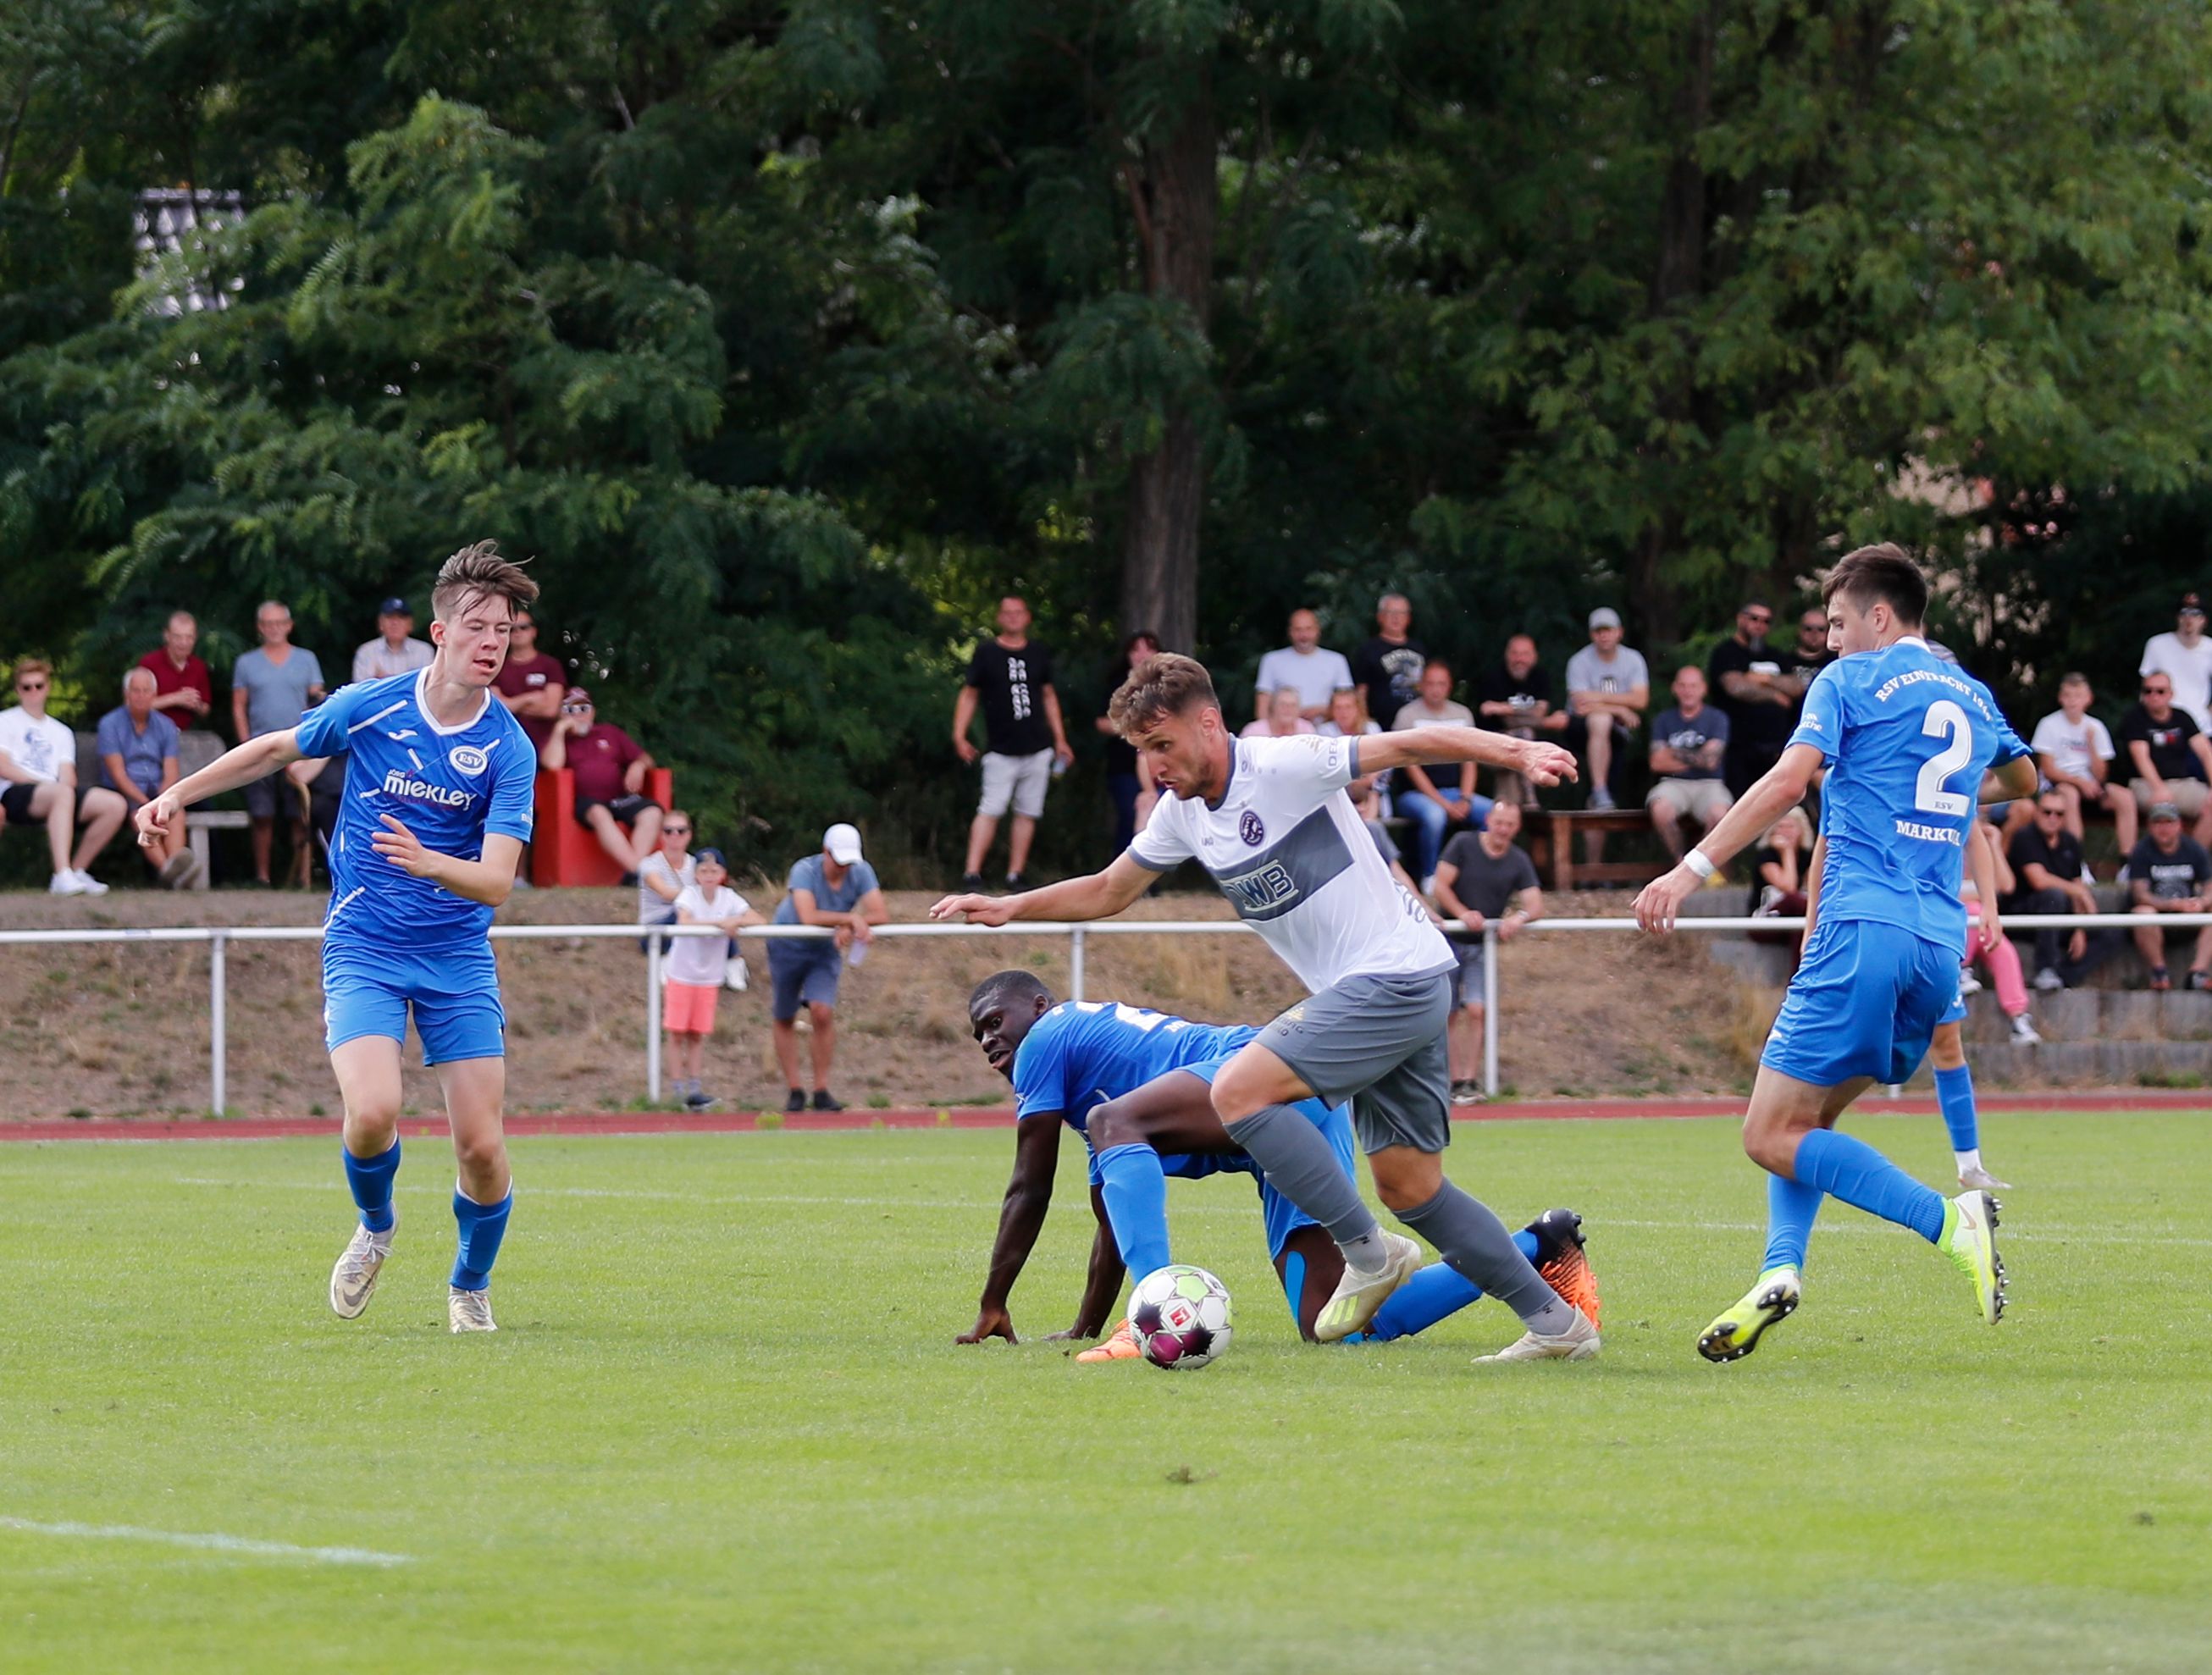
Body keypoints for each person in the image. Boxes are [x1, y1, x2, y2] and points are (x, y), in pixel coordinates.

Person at [932, 651, 1601, 1363]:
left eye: (1162, 744)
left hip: (1395, 977)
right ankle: (1558, 1325)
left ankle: (1368, 1251)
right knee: (1414, 1189)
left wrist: (1518, 751)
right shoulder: (1182, 815)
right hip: (1393, 991)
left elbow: (1409, 744)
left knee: (1238, 1091)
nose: (1155, 765)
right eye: (1143, 751)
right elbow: (1108, 889)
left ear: (1208, 724)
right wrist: (1010, 906)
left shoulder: (1283, 765)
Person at [1634, 542, 2036, 1363]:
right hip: (1937, 946)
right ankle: (1778, 1272)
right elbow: (2026, 778)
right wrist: (1955, 793)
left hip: (1865, 930)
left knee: (1764, 1133)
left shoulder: (1848, 680)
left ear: (1878, 616)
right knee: (1807, 1120)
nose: (1830, 639)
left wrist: (1688, 868)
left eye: (1837, 621)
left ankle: (1947, 1221)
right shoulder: (1968, 690)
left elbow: (1787, 784)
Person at [136, 542, 540, 1333]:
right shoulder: (372, 705)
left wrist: (429, 861)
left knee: (483, 1150)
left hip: (456, 956)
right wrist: (176, 794)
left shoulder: (509, 748)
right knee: (373, 1111)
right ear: (439, 632)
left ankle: (469, 1286)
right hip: (365, 946)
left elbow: (497, 882)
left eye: (505, 629)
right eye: (478, 626)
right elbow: (274, 749)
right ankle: (376, 1227)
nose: (492, 642)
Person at [954, 970, 1599, 1353]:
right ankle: (1540, 1245)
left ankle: (1152, 1318)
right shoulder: (1103, 1107)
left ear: (1038, 1008)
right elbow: (1114, 1225)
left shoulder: (1049, 1041)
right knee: (1335, 1328)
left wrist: (992, 1301)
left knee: (1111, 1124)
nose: (988, 1039)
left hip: (1259, 1083)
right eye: (977, 1033)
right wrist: (1083, 1328)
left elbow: (1028, 1186)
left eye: (994, 1020)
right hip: (1293, 1114)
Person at [953, 595, 1074, 891]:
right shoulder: (986, 652)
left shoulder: (1038, 653)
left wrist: (1060, 739)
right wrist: (959, 735)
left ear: (1027, 617)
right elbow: (969, 694)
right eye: (1007, 613)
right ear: (999, 617)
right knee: (991, 808)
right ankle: (972, 873)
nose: (1013, 618)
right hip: (1000, 748)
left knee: (1028, 811)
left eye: (1018, 612)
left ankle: (1015, 874)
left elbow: (1048, 695)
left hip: (1037, 747)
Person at [768, 823, 889, 1113]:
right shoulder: (804, 870)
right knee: (785, 1015)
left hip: (824, 950)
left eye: (849, 861)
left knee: (822, 1011)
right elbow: (807, 915)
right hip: (787, 944)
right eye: (838, 859)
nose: (844, 867)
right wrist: (849, 919)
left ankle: (821, 1089)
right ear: (825, 852)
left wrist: (853, 923)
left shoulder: (861, 871)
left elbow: (879, 912)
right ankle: (795, 1090)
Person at [1430, 799, 1542, 1105]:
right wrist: (1462, 913)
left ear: (1517, 828)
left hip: (1482, 946)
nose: (1503, 829)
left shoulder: (1518, 860)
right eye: (1500, 822)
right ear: (1489, 821)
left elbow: (1535, 904)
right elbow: (1440, 886)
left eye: (1510, 825)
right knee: (1448, 1012)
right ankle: (1451, 1080)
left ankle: (1469, 1080)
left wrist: (1518, 918)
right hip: (1448, 941)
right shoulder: (1463, 844)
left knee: (1477, 1010)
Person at [0, 656, 127, 895]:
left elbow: (68, 775)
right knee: (61, 793)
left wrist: (60, 788)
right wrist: (45, 784)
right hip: (16, 793)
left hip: (57, 793)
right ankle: (61, 874)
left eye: (38, 685)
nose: (33, 692)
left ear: (47, 687)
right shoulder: (5, 721)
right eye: (27, 687)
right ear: (18, 690)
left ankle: (76, 871)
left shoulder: (61, 731)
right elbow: (3, 766)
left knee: (114, 804)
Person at [230, 600, 328, 887]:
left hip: (298, 746)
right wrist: (245, 743)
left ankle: (302, 876)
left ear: (289, 626)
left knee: (299, 814)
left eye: (279, 623)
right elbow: (238, 706)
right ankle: (262, 876)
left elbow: (318, 700)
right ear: (260, 627)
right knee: (262, 815)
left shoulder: (306, 659)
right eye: (268, 623)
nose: (274, 628)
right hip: (259, 747)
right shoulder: (246, 663)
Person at [661, 848, 764, 1110]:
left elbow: (758, 919)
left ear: (723, 874)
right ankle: (677, 1091)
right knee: (677, 1033)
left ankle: (695, 1089)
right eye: (703, 870)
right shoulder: (689, 895)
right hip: (682, 973)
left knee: (697, 1034)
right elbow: (684, 921)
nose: (709, 875)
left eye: (714, 870)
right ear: (696, 874)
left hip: (708, 977)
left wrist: (735, 921)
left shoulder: (728, 897)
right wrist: (720, 924)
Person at [1391, 659, 1493, 889]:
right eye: (1430, 683)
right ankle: (1430, 876)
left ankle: (1476, 874)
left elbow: (1470, 761)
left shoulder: (1463, 714)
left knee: (1491, 814)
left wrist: (1465, 799)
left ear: (1449, 686)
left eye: (1441, 684)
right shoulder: (1407, 715)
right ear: (1421, 685)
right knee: (1435, 816)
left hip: (1456, 792)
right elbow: (1410, 767)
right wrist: (1443, 804)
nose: (1436, 689)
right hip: (1416, 795)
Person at [539, 687, 665, 872]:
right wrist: (559, 730)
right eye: (570, 710)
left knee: (652, 812)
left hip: (617, 799)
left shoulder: (610, 732)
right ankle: (640, 872)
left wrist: (638, 765)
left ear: (593, 712)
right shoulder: (557, 740)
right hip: (584, 803)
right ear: (561, 714)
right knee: (599, 813)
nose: (578, 715)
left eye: (584, 709)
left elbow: (646, 759)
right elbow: (553, 765)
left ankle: (635, 870)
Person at [2005, 790, 2121, 990]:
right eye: (2047, 812)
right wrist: (2079, 892)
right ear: (2037, 812)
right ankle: (2045, 968)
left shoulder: (2070, 842)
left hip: (2059, 915)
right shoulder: (2025, 837)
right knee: (2053, 896)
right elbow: (2039, 880)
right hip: (2022, 913)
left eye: (2059, 814)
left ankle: (2063, 977)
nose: (2052, 818)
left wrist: (2079, 929)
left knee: (2112, 931)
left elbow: (2077, 885)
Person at [97, 667, 196, 887]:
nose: (141, 696)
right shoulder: (110, 725)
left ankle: (173, 869)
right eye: (136, 691)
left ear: (154, 694)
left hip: (158, 790)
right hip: (126, 794)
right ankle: (171, 874)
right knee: (140, 816)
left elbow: (171, 771)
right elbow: (118, 774)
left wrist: (161, 800)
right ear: (126, 694)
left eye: (146, 691)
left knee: (175, 812)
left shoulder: (166, 726)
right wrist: (146, 803)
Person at [2028, 672, 2134, 858]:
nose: (2072, 701)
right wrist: (2079, 782)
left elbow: (2101, 774)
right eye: (2067, 695)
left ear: (2088, 699)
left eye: (2078, 696)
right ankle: (2076, 859)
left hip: (2091, 786)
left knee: (2125, 797)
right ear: (2060, 698)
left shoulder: (2096, 727)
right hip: (2059, 784)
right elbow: (2048, 769)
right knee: (2070, 794)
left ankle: (2127, 859)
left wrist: (2091, 745)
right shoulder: (2048, 724)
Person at [1708, 602, 1809, 796]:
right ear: (1740, 619)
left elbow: (1796, 687)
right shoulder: (1726, 652)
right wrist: (1775, 694)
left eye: (1766, 621)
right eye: (1754, 618)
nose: (1760, 625)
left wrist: (1763, 678)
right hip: (1738, 747)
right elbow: (1736, 687)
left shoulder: (1776, 655)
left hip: (1775, 747)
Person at [1645, 666, 1734, 861]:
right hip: (1672, 783)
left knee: (1720, 814)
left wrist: (1672, 752)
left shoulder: (1717, 718)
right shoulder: (1663, 720)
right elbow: (1657, 763)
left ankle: (1699, 865)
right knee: (1660, 808)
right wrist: (1697, 757)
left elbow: (1710, 762)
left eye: (1693, 686)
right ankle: (1680, 862)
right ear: (1675, 688)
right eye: (1683, 686)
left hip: (1709, 784)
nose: (1688, 691)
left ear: (1703, 689)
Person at [1564, 608, 1649, 810]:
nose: (1603, 636)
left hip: (1619, 729)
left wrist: (1597, 697)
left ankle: (1602, 796)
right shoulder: (1579, 661)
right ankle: (1599, 789)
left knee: (1605, 721)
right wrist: (1620, 709)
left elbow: (1641, 700)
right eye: (1598, 631)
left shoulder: (1633, 659)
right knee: (1600, 719)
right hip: (1580, 727)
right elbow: (1580, 705)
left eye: (1608, 630)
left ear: (1619, 632)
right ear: (1591, 634)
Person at [2126, 803, 2212, 991]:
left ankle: (2198, 973)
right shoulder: (2141, 851)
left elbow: (2210, 886)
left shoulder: (2194, 849)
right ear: (2150, 827)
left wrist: (2201, 902)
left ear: (2179, 825)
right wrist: (2172, 905)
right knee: (2143, 913)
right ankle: (2159, 972)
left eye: (2169, 822)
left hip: (2188, 915)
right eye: (2158, 823)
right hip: (2157, 919)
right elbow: (2140, 895)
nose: (2164, 828)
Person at [2119, 672, 2212, 845]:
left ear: (2171, 694)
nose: (2154, 696)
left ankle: (2193, 856)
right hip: (2145, 784)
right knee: (2164, 813)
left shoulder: (2182, 717)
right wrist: (2159, 788)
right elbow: (2141, 758)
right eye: (2148, 691)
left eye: (2160, 691)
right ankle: (2160, 858)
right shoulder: (2135, 719)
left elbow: (2206, 752)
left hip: (2183, 784)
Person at [1476, 634, 1568, 807]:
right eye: (1515, 653)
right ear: (1506, 655)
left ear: (1534, 656)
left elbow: (1539, 711)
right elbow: (1504, 720)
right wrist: (1546, 722)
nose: (1520, 659)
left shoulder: (1540, 677)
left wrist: (1504, 708)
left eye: (1525, 654)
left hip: (1520, 753)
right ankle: (1530, 799)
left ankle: (1508, 812)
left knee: (1516, 756)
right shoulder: (1493, 677)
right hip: (1491, 746)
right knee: (1522, 737)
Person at [1098, 631, 1161, 854]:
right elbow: (1101, 722)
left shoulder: (1168, 685)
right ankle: (1123, 867)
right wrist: (1136, 728)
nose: (1142, 654)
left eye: (1148, 648)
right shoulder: (1116, 685)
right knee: (1130, 815)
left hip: (1161, 766)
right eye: (1136, 649)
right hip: (1124, 766)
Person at [1253, 609, 1354, 723]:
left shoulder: (1337, 660)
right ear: (1290, 632)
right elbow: (1263, 702)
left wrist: (1321, 710)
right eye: (1298, 630)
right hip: (1284, 730)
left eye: (1309, 629)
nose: (1304, 635)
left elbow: (1349, 702)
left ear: (1318, 630)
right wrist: (1263, 730)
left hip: (1327, 729)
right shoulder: (1272, 660)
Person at [491, 604, 567, 754]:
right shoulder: (496, 666)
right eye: (511, 629)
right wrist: (530, 698)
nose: (518, 632)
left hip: (546, 747)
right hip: (507, 745)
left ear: (534, 632)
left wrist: (512, 705)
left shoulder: (550, 665)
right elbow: (497, 709)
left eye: (524, 627)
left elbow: (551, 710)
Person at [1348, 591, 1426, 733]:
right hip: (1381, 726)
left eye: (1402, 613)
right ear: (1380, 617)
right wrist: (1364, 721)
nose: (1396, 618)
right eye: (1391, 613)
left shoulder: (1420, 648)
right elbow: (1361, 691)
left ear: (1409, 618)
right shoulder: (1368, 650)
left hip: (1416, 723)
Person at [2140, 590, 2212, 732]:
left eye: (2195, 614)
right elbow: (2146, 685)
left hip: (2201, 724)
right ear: (2178, 617)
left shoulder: (2210, 647)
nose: (2189, 619)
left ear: (2203, 620)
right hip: (2162, 724)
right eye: (2184, 613)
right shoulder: (2157, 645)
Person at [137, 611, 213, 732]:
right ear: (166, 636)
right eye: (178, 637)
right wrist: (176, 699)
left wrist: (196, 704)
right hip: (150, 733)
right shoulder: (149, 663)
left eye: (189, 637)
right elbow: (137, 705)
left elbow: (205, 709)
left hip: (186, 734)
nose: (184, 643)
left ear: (195, 638)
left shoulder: (199, 666)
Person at [352, 596, 435, 683]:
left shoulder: (424, 651)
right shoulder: (366, 652)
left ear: (410, 624)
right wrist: (408, 682)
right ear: (381, 623)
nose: (395, 623)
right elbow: (361, 688)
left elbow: (428, 686)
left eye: (401, 618)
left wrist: (383, 681)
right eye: (389, 617)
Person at [1241, 685, 1316, 740]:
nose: (1288, 709)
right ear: (1273, 707)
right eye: (1283, 705)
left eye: (1293, 705)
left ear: (1299, 710)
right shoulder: (1254, 731)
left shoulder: (1307, 730)